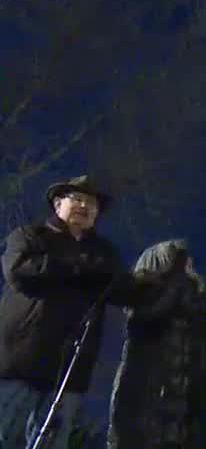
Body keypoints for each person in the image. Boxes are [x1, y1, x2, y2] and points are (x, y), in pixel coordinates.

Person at [0, 176, 135, 449]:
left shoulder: (104, 252)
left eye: (92, 203)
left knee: (52, 442)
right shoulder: (30, 235)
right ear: (58, 203)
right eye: (77, 199)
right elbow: (18, 272)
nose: (84, 206)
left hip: (70, 369)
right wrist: (75, 265)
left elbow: (122, 291)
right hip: (20, 362)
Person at [108, 239, 206, 449]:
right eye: (181, 264)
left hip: (183, 417)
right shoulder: (151, 307)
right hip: (155, 413)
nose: (188, 270)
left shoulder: (200, 312)